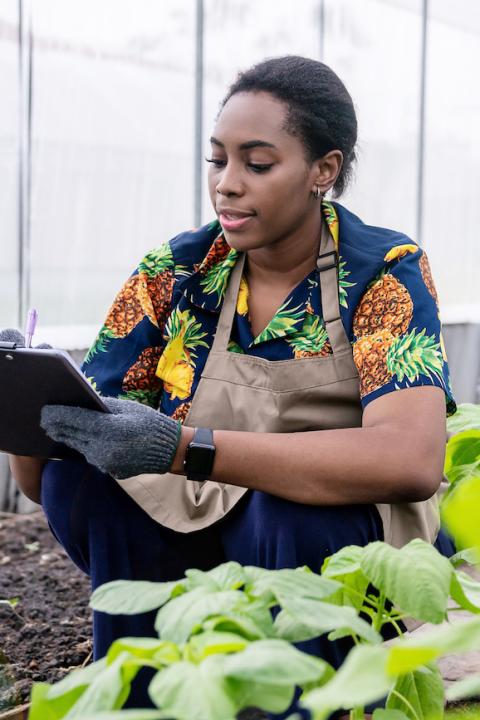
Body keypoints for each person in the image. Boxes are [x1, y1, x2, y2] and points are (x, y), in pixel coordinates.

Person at [5, 55, 456, 719]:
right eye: (218, 161)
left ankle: (307, 701)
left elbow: (412, 462)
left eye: (258, 163)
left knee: (289, 513)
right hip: (199, 527)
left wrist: (183, 446)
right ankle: (142, 696)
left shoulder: (380, 274)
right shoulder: (179, 271)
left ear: (323, 171)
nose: (228, 185)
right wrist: (24, 411)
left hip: (331, 542)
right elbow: (47, 483)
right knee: (85, 482)